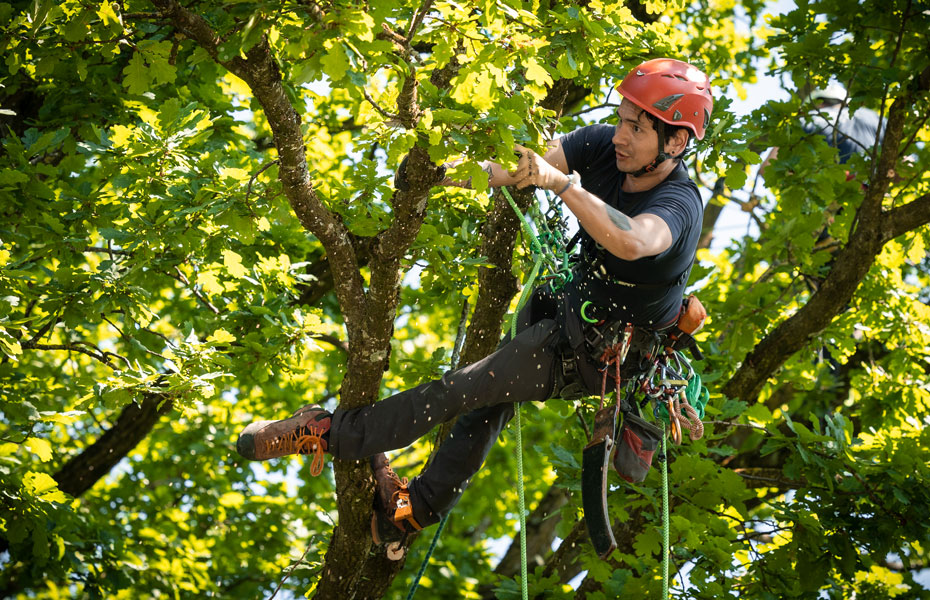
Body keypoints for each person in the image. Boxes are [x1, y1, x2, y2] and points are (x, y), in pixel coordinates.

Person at [236, 58, 713, 545]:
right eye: (621, 120)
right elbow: (520, 168)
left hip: (594, 355)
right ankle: (409, 511)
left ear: (675, 142)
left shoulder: (680, 204)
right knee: (483, 404)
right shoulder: (602, 147)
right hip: (565, 307)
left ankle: (327, 433)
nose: (619, 136)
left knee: (460, 389)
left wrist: (562, 184)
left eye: (636, 128)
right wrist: (441, 173)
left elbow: (634, 241)